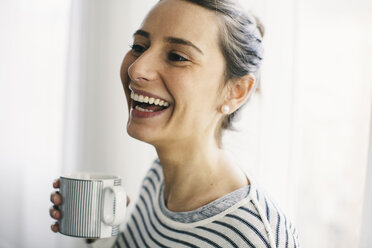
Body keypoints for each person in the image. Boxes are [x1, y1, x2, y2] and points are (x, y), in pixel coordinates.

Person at [50, 0, 300, 247]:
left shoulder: (257, 237)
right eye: (138, 47)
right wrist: (102, 233)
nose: (137, 68)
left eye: (177, 57)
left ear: (235, 92)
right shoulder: (158, 176)